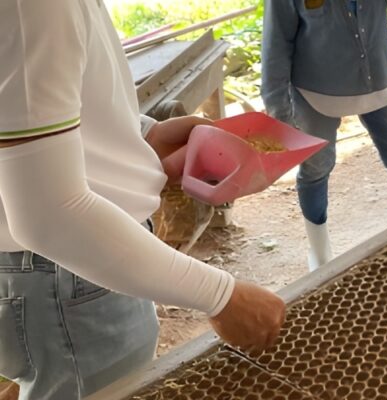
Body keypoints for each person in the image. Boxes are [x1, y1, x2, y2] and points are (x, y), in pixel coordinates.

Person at [0, 2, 286, 399]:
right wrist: (221, 295)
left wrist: (140, 138)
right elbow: (50, 214)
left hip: (63, 272)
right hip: (72, 272)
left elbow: (23, 110)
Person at [263, 0, 387, 271]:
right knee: (316, 166)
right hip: (316, 91)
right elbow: (276, 44)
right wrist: (280, 114)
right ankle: (320, 254)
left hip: (377, 79)